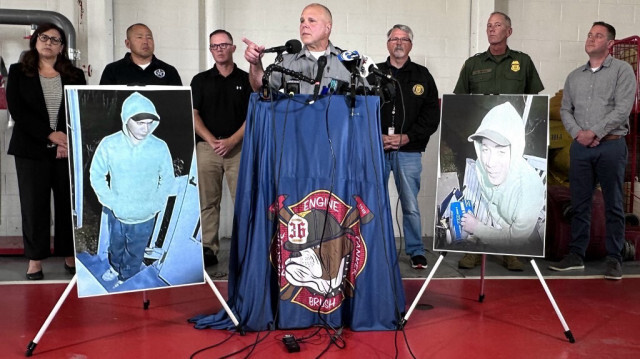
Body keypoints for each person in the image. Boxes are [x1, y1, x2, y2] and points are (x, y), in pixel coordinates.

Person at [453, 11, 544, 271]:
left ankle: (509, 254)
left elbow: (536, 98)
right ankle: (474, 249)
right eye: (489, 26)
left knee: (504, 201)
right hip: (483, 131)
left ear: (509, 31)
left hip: (508, 134)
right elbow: (460, 97)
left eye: (497, 26)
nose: (492, 30)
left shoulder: (523, 62)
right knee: (479, 194)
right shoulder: (473, 64)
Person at [550, 21, 636, 280]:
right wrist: (578, 133)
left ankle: (614, 258)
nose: (591, 39)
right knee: (580, 203)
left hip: (611, 146)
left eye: (598, 36)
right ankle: (576, 255)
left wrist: (593, 133)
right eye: (589, 34)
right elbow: (565, 109)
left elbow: (622, 109)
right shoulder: (575, 76)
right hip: (581, 148)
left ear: (610, 44)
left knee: (613, 203)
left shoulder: (623, 71)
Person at [6, 23, 86, 280]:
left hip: (66, 150)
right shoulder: (18, 72)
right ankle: (35, 259)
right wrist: (49, 135)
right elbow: (18, 111)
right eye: (44, 38)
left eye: (55, 39)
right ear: (35, 41)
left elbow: (79, 110)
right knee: (33, 205)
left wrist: (65, 142)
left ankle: (69, 254)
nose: (49, 43)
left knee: (67, 203)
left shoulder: (75, 74)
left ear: (62, 47)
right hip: (31, 149)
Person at [90, 92, 175, 287]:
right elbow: (96, 174)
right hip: (117, 212)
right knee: (116, 246)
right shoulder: (110, 144)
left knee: (136, 251)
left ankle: (126, 277)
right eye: (140, 123)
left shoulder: (159, 147)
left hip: (145, 214)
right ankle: (115, 267)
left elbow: (168, 178)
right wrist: (111, 201)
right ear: (126, 119)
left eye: (149, 123)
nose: (145, 129)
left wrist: (156, 203)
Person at [374, 25, 440, 269]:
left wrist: (407, 137)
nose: (399, 43)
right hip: (376, 150)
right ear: (388, 43)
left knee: (410, 205)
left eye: (404, 39)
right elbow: (360, 110)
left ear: (411, 45)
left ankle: (415, 250)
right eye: (394, 39)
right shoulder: (373, 74)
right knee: (373, 200)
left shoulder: (423, 76)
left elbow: (432, 116)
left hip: (409, 152)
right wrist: (374, 136)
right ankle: (375, 246)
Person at [190, 30, 252, 266]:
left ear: (233, 48)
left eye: (224, 45)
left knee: (244, 201)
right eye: (214, 46)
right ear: (210, 50)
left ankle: (246, 249)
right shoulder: (200, 80)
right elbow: (193, 114)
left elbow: (252, 116)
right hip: (208, 149)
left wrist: (232, 141)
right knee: (207, 201)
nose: (219, 49)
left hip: (238, 148)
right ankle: (208, 248)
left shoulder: (246, 79)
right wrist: (212, 140)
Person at [460, 102, 545, 254]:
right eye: (485, 149)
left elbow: (516, 241)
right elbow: (492, 204)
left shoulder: (529, 190)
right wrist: (490, 232)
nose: (490, 163)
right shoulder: (480, 166)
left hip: (530, 240)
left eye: (501, 152)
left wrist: (478, 228)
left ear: (515, 150)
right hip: (501, 227)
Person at [242, 3, 353, 94]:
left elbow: (366, 100)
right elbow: (261, 89)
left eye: (311, 20)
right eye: (302, 21)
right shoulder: (286, 62)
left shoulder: (349, 62)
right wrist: (255, 63)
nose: (304, 25)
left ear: (327, 28)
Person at [100, 23, 182, 86]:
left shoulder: (169, 71)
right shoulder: (112, 70)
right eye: (139, 37)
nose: (145, 42)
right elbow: (104, 103)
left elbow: (179, 104)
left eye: (149, 38)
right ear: (128, 43)